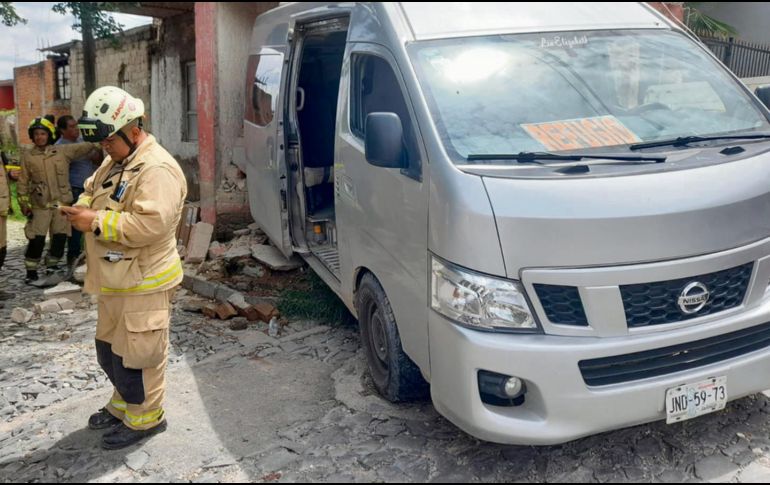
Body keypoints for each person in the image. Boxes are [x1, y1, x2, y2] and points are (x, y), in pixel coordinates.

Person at [61, 86, 187, 450]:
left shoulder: (157, 169)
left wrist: (95, 221)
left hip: (144, 281)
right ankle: (124, 404)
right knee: (112, 349)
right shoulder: (116, 158)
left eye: (110, 142)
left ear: (134, 130)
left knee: (140, 355)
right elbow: (92, 187)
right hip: (116, 278)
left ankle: (147, 418)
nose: (105, 149)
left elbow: (151, 225)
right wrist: (83, 206)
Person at [17, 116, 100, 284]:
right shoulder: (28, 156)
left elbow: (83, 147)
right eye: (36, 134)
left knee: (60, 237)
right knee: (37, 238)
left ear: (49, 135)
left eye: (43, 133)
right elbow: (23, 181)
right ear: (32, 136)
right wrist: (24, 204)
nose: (40, 137)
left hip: (57, 204)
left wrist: (98, 138)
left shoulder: (62, 152)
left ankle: (52, 266)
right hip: (40, 205)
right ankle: (31, 270)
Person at [55, 115, 103, 269]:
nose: (76, 129)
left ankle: (89, 255)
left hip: (91, 189)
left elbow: (97, 159)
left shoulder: (83, 141)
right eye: (71, 127)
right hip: (75, 189)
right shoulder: (60, 147)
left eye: (76, 126)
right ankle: (73, 257)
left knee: (93, 223)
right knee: (76, 226)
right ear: (62, 130)